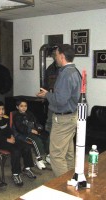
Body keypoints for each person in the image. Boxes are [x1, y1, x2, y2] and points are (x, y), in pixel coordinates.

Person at [37, 44, 81, 177]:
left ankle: (64, 187)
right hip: (72, 116)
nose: (55, 58)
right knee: (68, 152)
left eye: (56, 55)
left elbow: (60, 100)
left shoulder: (66, 74)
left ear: (62, 56)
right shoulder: (75, 71)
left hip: (63, 119)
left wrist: (47, 95)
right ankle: (72, 180)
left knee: (56, 155)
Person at [0, 101, 36, 187]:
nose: (1, 111)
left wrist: (12, 136)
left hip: (9, 139)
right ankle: (15, 174)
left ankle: (26, 168)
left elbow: (10, 130)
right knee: (16, 151)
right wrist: (7, 139)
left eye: (3, 109)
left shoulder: (5, 118)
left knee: (26, 146)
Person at [13, 98, 50, 170]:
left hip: (33, 132)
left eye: (25, 106)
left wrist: (39, 127)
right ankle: (38, 159)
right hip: (23, 134)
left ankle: (48, 155)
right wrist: (30, 130)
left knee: (47, 137)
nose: (24, 108)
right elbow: (20, 128)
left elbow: (36, 122)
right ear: (17, 107)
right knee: (36, 141)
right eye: (21, 106)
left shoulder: (29, 114)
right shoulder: (17, 116)